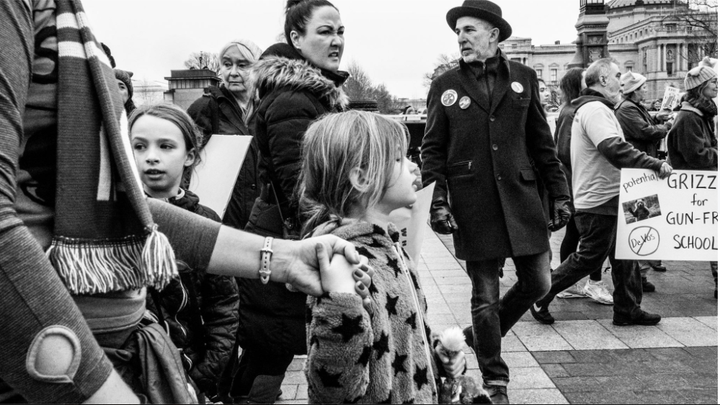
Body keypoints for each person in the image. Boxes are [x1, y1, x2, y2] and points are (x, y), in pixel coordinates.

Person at [0, 1, 368, 402]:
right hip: (51, 370)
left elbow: (125, 209)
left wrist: (284, 257)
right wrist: (102, 392)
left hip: (106, 351)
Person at [421, 1, 571, 402]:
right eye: (458, 32)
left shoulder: (523, 78)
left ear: (494, 33)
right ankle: (495, 378)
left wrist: (560, 193)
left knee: (539, 282)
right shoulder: (445, 85)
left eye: (470, 30)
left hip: (522, 200)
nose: (461, 37)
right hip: (474, 203)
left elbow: (542, 142)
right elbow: (432, 150)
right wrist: (437, 201)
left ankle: (478, 337)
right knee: (483, 295)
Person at [226, 0, 351, 402]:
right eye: (325, 31)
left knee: (270, 348)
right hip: (285, 238)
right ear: (296, 39)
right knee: (271, 347)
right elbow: (301, 188)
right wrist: (322, 243)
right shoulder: (294, 99)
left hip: (284, 235)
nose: (336, 41)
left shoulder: (311, 94)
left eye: (340, 31)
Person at [300, 111, 465, 403]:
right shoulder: (344, 262)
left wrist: (434, 357)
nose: (414, 167)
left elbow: (395, 341)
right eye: (400, 159)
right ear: (363, 178)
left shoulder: (390, 247)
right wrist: (341, 302)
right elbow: (334, 389)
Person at [530, 58, 673, 328]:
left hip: (617, 195)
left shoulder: (596, 108)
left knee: (628, 251)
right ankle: (541, 295)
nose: (622, 80)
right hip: (601, 198)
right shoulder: (596, 109)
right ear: (604, 80)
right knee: (591, 256)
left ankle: (628, 308)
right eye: (618, 74)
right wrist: (654, 163)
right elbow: (614, 148)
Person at [129, 103, 240, 401]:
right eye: (139, 146)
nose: (151, 156)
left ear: (189, 155)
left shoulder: (205, 221)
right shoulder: (116, 220)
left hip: (195, 374)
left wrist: (202, 378)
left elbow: (223, 306)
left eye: (166, 146)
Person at [552, 68, 614, 305]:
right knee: (590, 238)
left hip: (578, 180)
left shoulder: (574, 109)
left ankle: (574, 284)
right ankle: (588, 283)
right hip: (581, 181)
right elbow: (566, 151)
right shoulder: (575, 111)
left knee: (578, 233)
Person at [187, 39, 263, 231]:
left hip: (258, 222)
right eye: (227, 64)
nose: (233, 72)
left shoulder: (265, 110)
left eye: (243, 65)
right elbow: (184, 164)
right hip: (219, 222)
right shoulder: (206, 108)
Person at [615, 70, 674, 289]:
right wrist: (664, 127)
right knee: (641, 219)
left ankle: (640, 273)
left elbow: (645, 122)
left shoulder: (632, 107)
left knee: (644, 218)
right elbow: (645, 131)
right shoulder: (627, 108)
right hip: (637, 171)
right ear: (633, 91)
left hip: (640, 170)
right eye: (642, 88)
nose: (646, 90)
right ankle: (637, 275)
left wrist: (656, 117)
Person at [666, 64, 718, 298]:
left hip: (701, 185)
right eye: (713, 82)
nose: (717, 85)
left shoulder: (699, 114)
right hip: (695, 187)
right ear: (701, 88)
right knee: (711, 234)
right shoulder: (690, 117)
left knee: (712, 234)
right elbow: (696, 156)